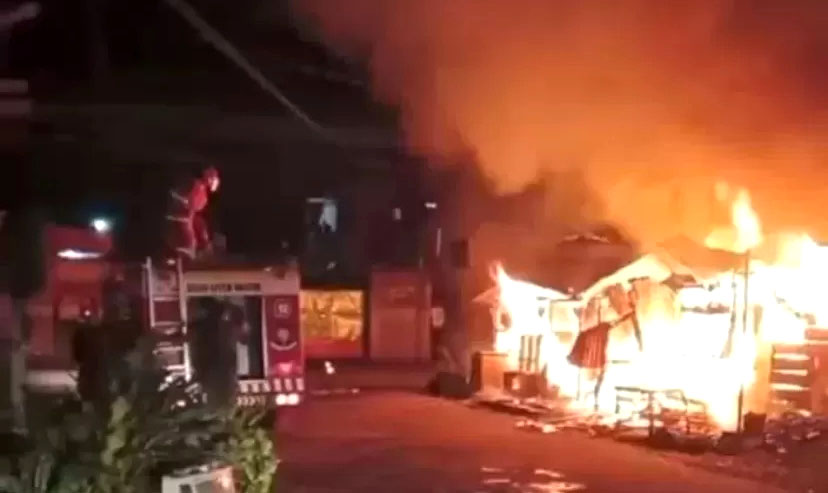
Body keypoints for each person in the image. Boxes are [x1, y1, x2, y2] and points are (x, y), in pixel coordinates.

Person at [165, 166, 220, 260]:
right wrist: (183, 201)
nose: (215, 181)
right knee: (189, 231)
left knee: (199, 224)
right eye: (212, 178)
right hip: (180, 216)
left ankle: (195, 249)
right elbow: (181, 198)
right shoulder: (197, 186)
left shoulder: (203, 194)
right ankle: (188, 249)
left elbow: (193, 208)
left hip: (186, 215)